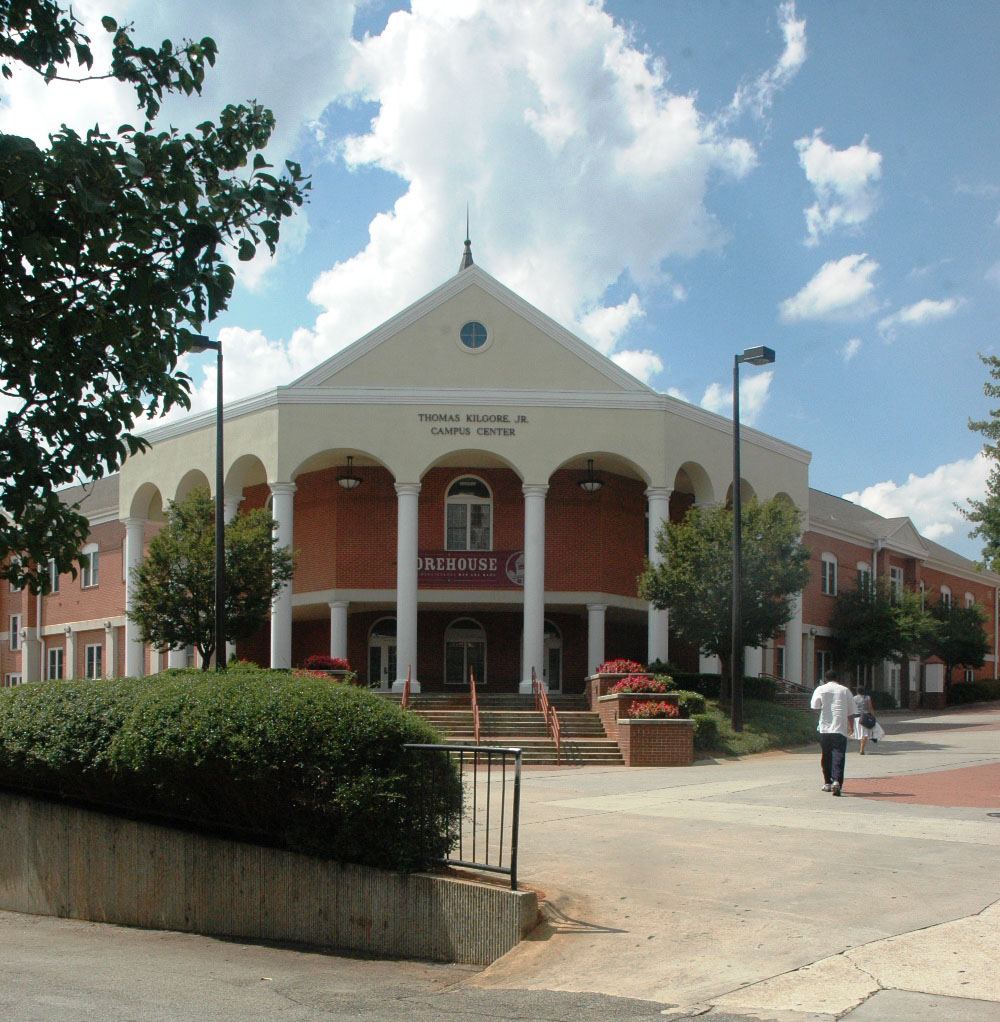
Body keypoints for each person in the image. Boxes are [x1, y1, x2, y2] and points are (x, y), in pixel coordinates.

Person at [810, 669, 858, 796]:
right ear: (837, 678)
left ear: (825, 678)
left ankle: (827, 782)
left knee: (826, 755)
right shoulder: (845, 690)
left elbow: (815, 706)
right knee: (839, 754)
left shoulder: (820, 689)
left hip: (824, 728)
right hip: (840, 728)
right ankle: (837, 781)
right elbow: (851, 711)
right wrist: (851, 726)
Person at [852, 687, 885, 754]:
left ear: (857, 691)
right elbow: (870, 707)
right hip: (865, 717)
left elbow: (852, 708)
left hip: (856, 717)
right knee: (865, 734)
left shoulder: (853, 698)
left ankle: (861, 747)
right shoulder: (867, 698)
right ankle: (862, 749)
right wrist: (873, 716)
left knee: (858, 733)